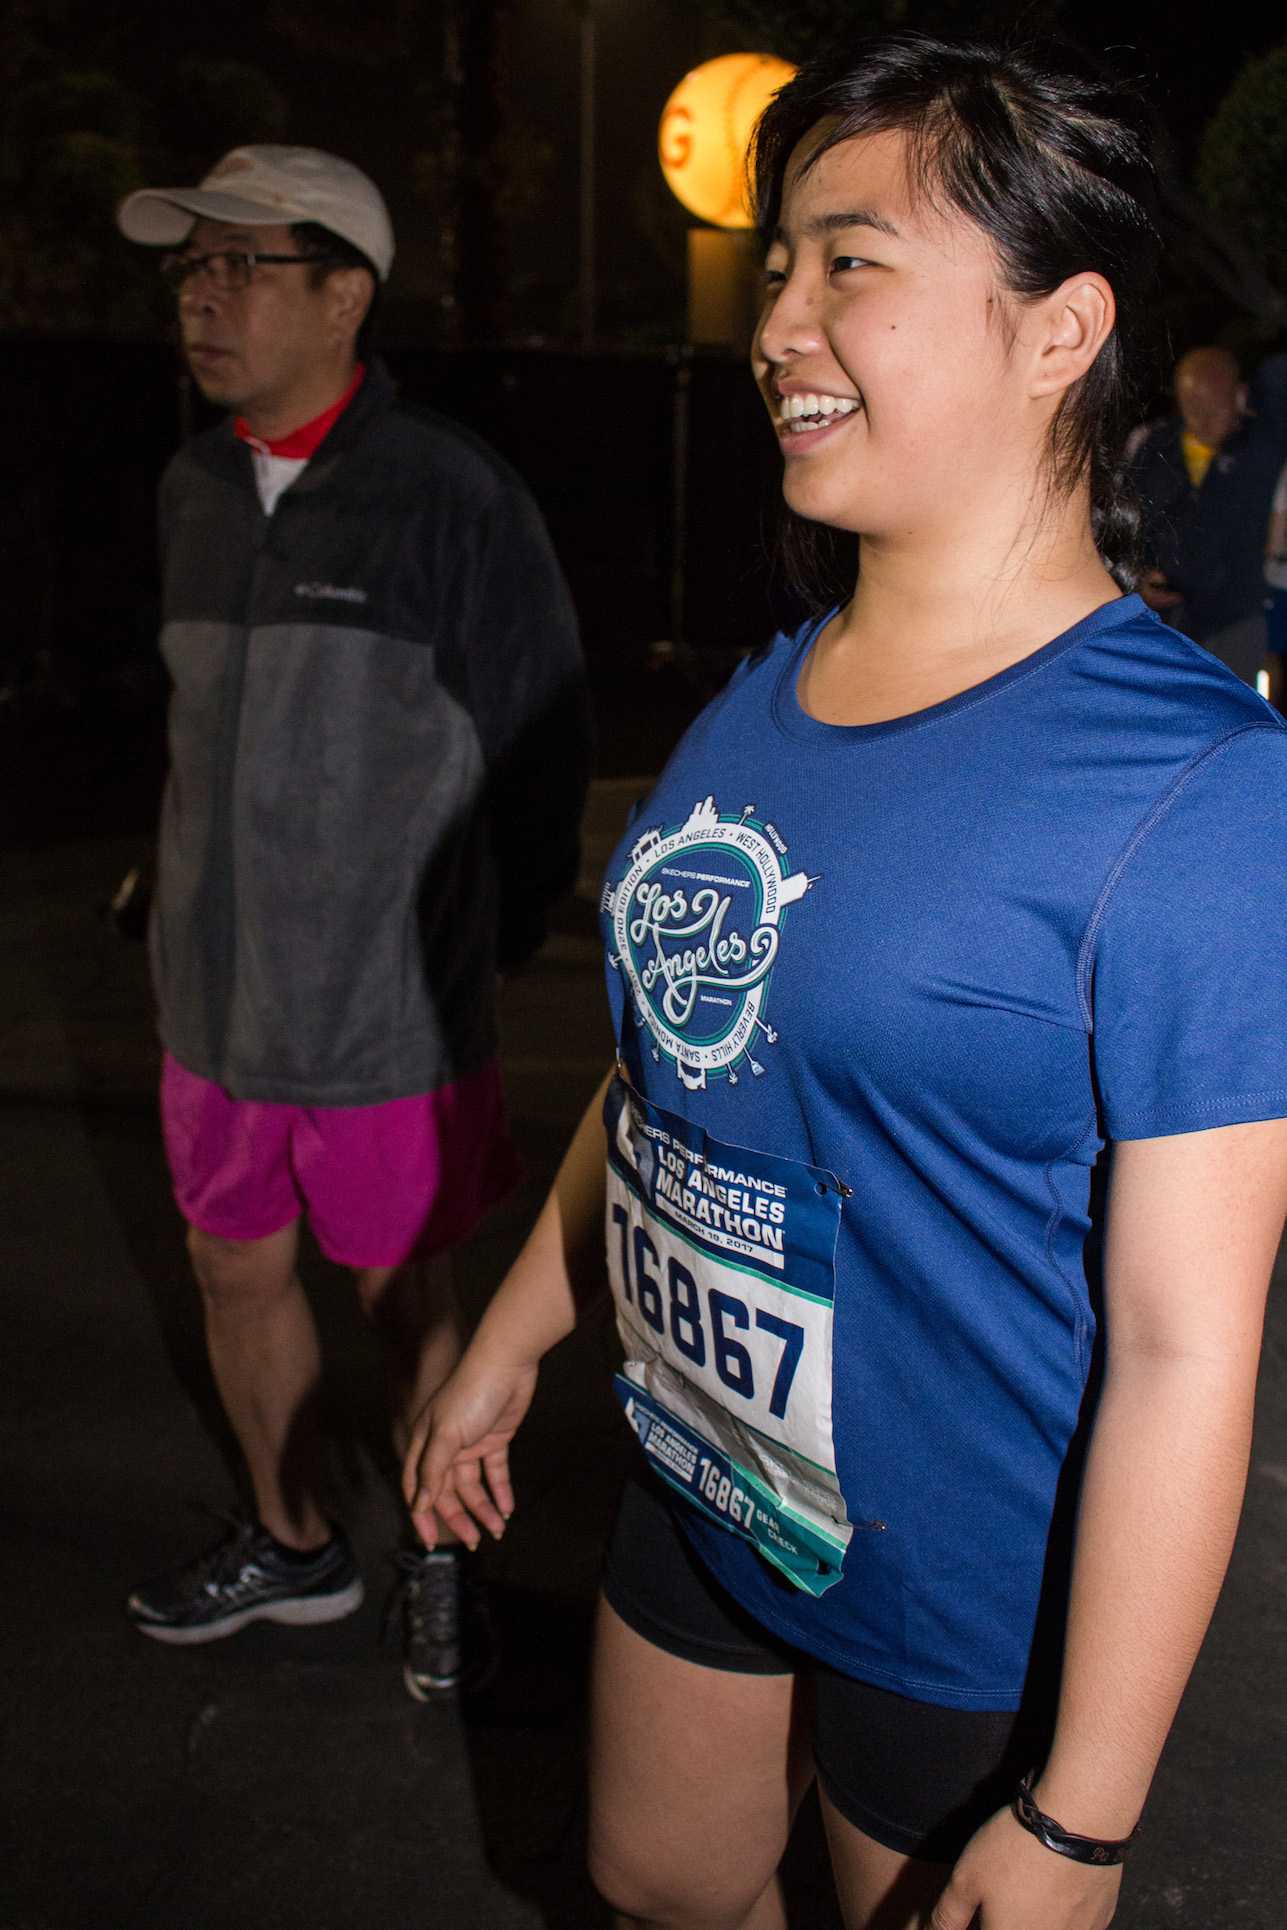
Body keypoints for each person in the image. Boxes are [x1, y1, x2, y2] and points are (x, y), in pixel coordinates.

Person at [402, 32, 1287, 1930]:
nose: (779, 320)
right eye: (782, 267)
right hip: (705, 1479)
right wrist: (512, 1337)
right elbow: (672, 1073)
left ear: (1058, 333)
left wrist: (1077, 1821)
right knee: (655, 1878)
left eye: (850, 262)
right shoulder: (757, 695)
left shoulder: (1198, 787)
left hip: (957, 1601)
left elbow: (1185, 1351)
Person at [115, 146, 591, 1698]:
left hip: (387, 1015)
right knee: (231, 1276)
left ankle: (441, 1557)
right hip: (211, 1007)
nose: (204, 292)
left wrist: (482, 936)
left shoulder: (449, 495)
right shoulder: (190, 485)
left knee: (413, 1304)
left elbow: (539, 747)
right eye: (192, 266)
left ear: (345, 294)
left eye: (243, 263)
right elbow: (193, 730)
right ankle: (294, 1537)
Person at [1129, 344, 1285, 685]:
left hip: (1238, 620)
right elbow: (1124, 527)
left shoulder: (1262, 446)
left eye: (1213, 410)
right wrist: (1136, 579)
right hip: (1166, 623)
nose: (1200, 421)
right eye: (1191, 408)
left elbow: (1278, 375)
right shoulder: (1154, 447)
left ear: (1240, 397)